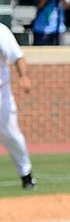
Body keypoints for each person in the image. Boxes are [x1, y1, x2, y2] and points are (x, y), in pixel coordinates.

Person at [0, 20, 32, 188]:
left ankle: (26, 175)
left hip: (1, 94)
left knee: (11, 135)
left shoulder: (1, 31)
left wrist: (24, 76)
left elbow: (17, 56)